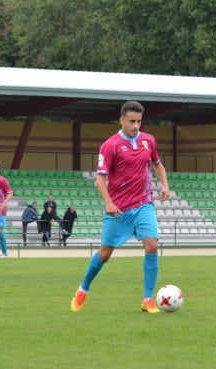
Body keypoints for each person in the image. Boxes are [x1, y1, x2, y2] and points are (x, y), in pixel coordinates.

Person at [70, 101, 170, 313]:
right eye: (132, 121)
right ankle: (83, 289)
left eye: (139, 121)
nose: (136, 126)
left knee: (152, 245)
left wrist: (164, 184)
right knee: (105, 253)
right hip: (119, 209)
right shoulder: (110, 145)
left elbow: (157, 164)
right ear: (121, 120)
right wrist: (109, 202)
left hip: (144, 203)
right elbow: (100, 178)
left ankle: (147, 299)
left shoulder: (149, 141)